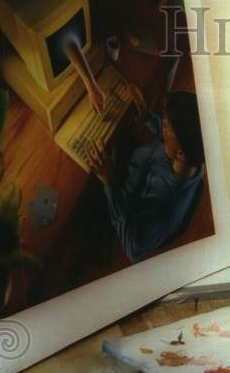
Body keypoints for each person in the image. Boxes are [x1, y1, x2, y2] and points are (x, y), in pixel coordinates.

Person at [86, 88, 206, 263]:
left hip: (121, 195)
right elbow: (173, 141)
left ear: (181, 153)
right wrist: (148, 116)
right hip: (134, 167)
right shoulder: (188, 157)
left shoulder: (164, 212)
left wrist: (109, 180)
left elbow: (132, 250)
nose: (163, 125)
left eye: (166, 126)